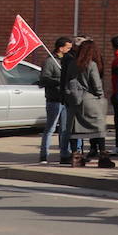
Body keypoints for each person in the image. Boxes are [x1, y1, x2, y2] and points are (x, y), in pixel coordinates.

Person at [65, 40, 113, 168]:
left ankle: (76, 157)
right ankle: (103, 157)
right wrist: (101, 98)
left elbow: (66, 81)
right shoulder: (91, 65)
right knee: (99, 129)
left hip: (75, 101)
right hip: (90, 100)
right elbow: (97, 85)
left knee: (74, 130)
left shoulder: (72, 64)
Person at [39, 36, 75, 164]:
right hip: (54, 99)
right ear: (61, 48)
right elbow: (44, 79)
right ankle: (44, 154)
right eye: (68, 48)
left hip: (65, 99)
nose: (70, 50)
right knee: (50, 128)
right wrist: (60, 81)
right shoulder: (50, 61)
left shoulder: (67, 61)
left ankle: (64, 154)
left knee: (65, 129)